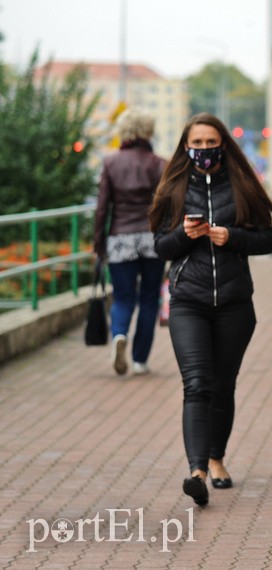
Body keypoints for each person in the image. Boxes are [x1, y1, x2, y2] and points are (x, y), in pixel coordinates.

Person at [149, 112, 272, 507]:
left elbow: (269, 240)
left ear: (223, 143)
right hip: (188, 301)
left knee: (224, 385)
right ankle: (197, 472)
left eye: (211, 143)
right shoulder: (173, 187)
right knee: (197, 384)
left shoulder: (242, 185)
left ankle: (217, 458)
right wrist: (183, 236)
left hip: (234, 303)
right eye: (197, 143)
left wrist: (233, 237)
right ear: (185, 146)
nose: (204, 150)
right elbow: (159, 246)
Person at [93, 108, 166, 376]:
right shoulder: (159, 163)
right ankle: (139, 360)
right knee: (149, 299)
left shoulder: (111, 163)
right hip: (152, 237)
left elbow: (102, 208)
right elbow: (166, 206)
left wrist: (99, 243)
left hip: (120, 237)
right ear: (149, 131)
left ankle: (120, 334)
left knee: (123, 298)